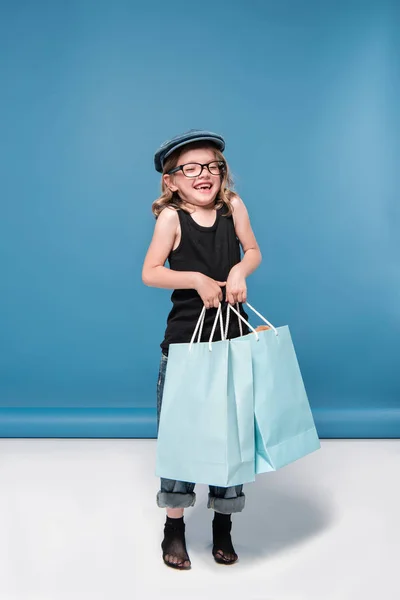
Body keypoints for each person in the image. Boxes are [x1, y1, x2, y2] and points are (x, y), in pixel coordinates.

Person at [142, 129, 262, 569]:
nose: (203, 174)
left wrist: (238, 271)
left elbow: (253, 251)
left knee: (231, 436)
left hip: (232, 341)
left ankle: (222, 527)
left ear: (222, 172)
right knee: (181, 437)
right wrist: (194, 278)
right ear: (172, 181)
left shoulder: (234, 208)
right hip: (185, 347)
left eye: (211, 166)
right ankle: (174, 526)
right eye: (190, 169)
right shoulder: (171, 219)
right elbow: (151, 272)